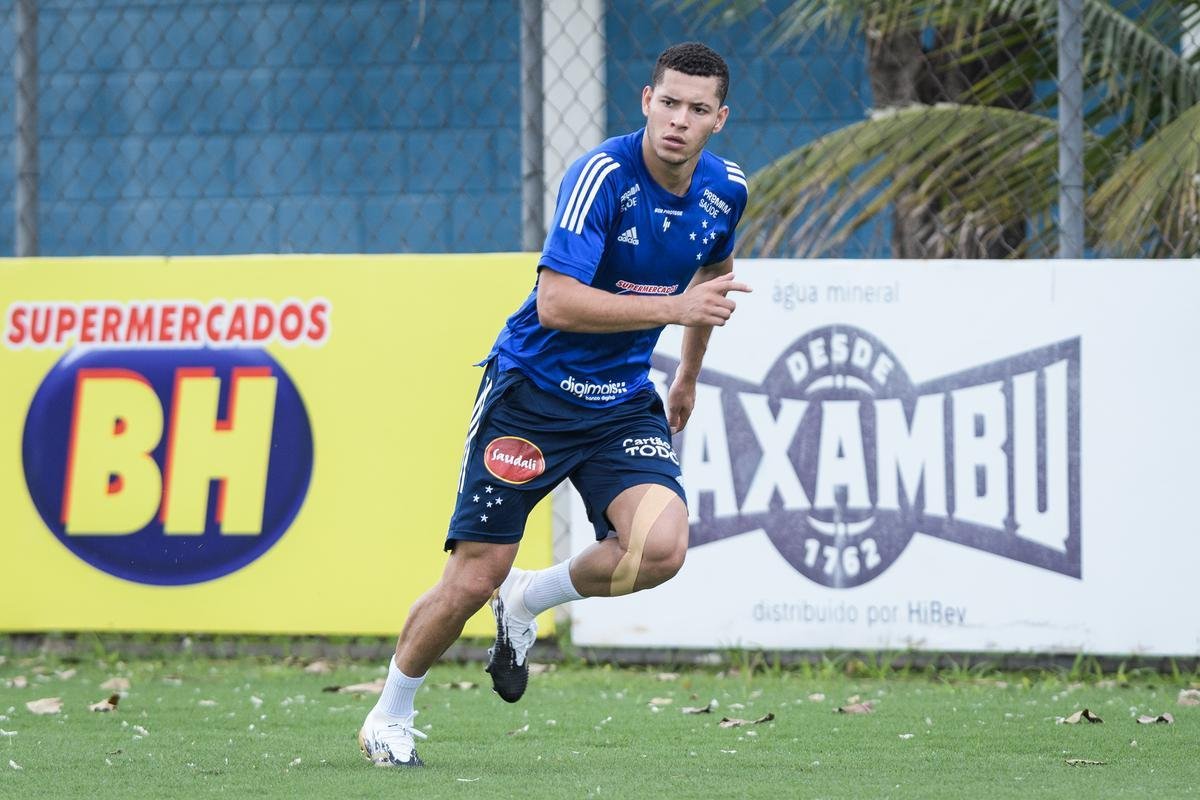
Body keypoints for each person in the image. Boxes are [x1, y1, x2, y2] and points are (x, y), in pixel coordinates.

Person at [358, 41, 750, 767]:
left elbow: (715, 279)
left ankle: (531, 598)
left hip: (622, 402)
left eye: (698, 109)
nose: (678, 120)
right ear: (646, 101)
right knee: (474, 577)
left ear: (718, 119)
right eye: (668, 102)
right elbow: (558, 302)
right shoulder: (601, 175)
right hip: (531, 394)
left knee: (660, 549)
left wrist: (687, 375)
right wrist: (675, 308)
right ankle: (390, 712)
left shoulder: (726, 188)